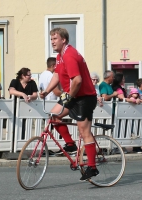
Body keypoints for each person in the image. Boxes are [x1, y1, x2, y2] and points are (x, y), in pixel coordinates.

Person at [39, 27, 98, 181]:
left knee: (84, 132)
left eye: (55, 39)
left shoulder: (70, 55)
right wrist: (47, 91)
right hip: (73, 95)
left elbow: (77, 80)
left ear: (63, 40)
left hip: (84, 96)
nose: (52, 42)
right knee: (54, 116)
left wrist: (69, 97)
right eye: (51, 39)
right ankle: (70, 144)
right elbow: (57, 75)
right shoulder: (60, 56)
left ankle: (92, 167)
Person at [9, 68, 38, 140]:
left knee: (24, 126)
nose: (30, 77)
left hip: (26, 109)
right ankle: (13, 141)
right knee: (14, 126)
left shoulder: (32, 83)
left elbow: (35, 95)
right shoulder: (14, 81)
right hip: (14, 108)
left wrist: (31, 97)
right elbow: (11, 91)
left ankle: (22, 141)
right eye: (29, 75)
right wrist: (22, 94)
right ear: (23, 76)